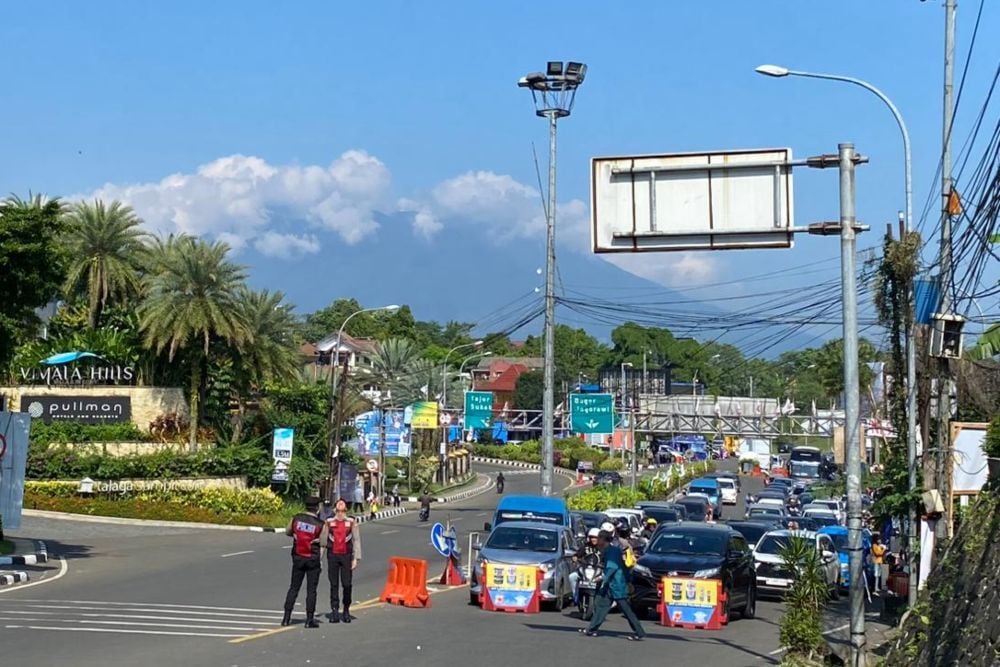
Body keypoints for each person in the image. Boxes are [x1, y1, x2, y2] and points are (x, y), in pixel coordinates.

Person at [579, 531, 646, 640]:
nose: (596, 541)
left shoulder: (612, 551)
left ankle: (639, 632)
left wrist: (601, 578)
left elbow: (612, 567)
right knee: (601, 604)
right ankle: (591, 629)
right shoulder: (609, 550)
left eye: (598, 538)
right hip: (610, 585)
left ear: (603, 539)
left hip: (617, 584)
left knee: (626, 609)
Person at [282, 496, 327, 628]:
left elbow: (288, 531)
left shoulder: (296, 518)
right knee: (311, 590)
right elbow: (323, 543)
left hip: (298, 557)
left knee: (294, 587)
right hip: (312, 559)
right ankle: (309, 620)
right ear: (317, 508)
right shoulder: (320, 524)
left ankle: (286, 617)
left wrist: (297, 535)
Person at [324, 498, 362, 623]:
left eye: (342, 504)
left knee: (347, 584)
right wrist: (318, 559)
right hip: (332, 555)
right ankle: (335, 610)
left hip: (346, 556)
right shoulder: (329, 522)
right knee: (333, 584)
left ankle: (346, 609)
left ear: (346, 508)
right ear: (335, 509)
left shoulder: (351, 521)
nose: (340, 505)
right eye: (338, 504)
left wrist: (356, 558)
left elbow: (356, 540)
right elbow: (323, 542)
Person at [568, 527, 605, 608]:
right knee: (572, 577)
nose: (593, 539)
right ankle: (576, 597)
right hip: (585, 570)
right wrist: (575, 557)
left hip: (598, 571)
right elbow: (577, 555)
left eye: (595, 537)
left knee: (606, 579)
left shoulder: (603, 548)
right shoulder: (585, 547)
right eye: (592, 537)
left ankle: (603, 599)